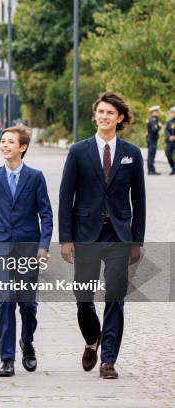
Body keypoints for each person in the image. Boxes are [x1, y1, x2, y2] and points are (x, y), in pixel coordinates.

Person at [59, 92, 145, 380]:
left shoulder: (132, 153)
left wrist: (137, 241)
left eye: (110, 112)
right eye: (101, 112)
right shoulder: (77, 151)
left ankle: (108, 359)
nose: (105, 116)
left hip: (119, 235)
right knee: (83, 297)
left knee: (115, 297)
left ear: (119, 118)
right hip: (86, 234)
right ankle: (92, 339)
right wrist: (66, 238)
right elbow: (65, 197)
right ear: (95, 116)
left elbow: (140, 201)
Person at [0, 125, 53, 377]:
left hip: (28, 248)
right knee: (5, 301)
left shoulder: (35, 177)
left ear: (22, 147)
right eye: (2, 141)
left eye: (10, 142)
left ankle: (27, 341)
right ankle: (7, 358)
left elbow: (46, 214)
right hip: (1, 247)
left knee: (28, 305)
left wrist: (43, 246)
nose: (4, 145)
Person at [146, 105, 161, 175]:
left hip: (151, 139)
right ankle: (151, 170)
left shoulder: (153, 119)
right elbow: (154, 130)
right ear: (153, 112)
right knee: (151, 155)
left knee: (151, 155)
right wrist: (159, 126)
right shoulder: (153, 120)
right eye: (156, 111)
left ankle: (151, 170)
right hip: (152, 140)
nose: (158, 112)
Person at [165, 106, 175, 175]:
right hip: (170, 141)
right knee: (168, 154)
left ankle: (174, 170)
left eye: (174, 112)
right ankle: (173, 167)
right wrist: (169, 136)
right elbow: (166, 130)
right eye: (172, 112)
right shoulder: (169, 122)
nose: (173, 114)